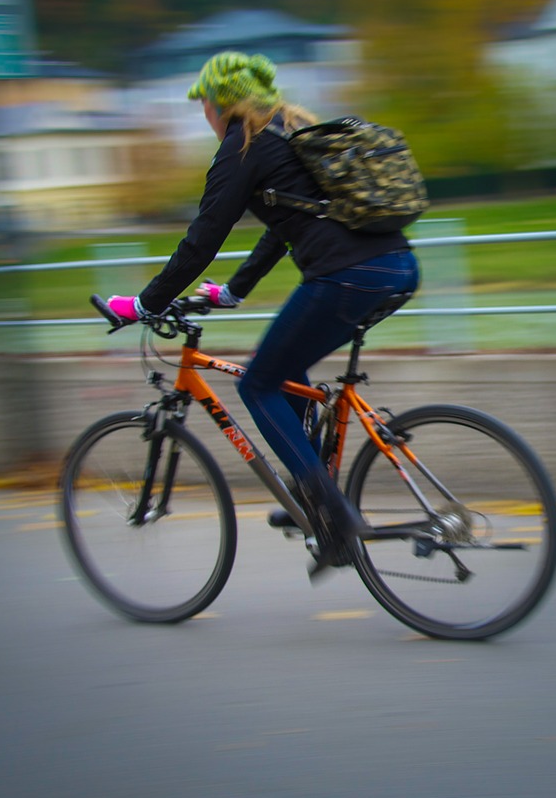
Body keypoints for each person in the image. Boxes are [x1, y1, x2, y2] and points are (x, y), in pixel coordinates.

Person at [107, 51, 420, 578]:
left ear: (218, 104)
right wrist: (231, 292)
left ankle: (334, 519)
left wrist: (146, 303)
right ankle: (315, 493)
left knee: (257, 384)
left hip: (347, 275)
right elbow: (283, 227)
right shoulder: (290, 132)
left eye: (203, 104)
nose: (203, 115)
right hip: (396, 267)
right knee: (286, 368)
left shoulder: (243, 146)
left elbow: (203, 237)